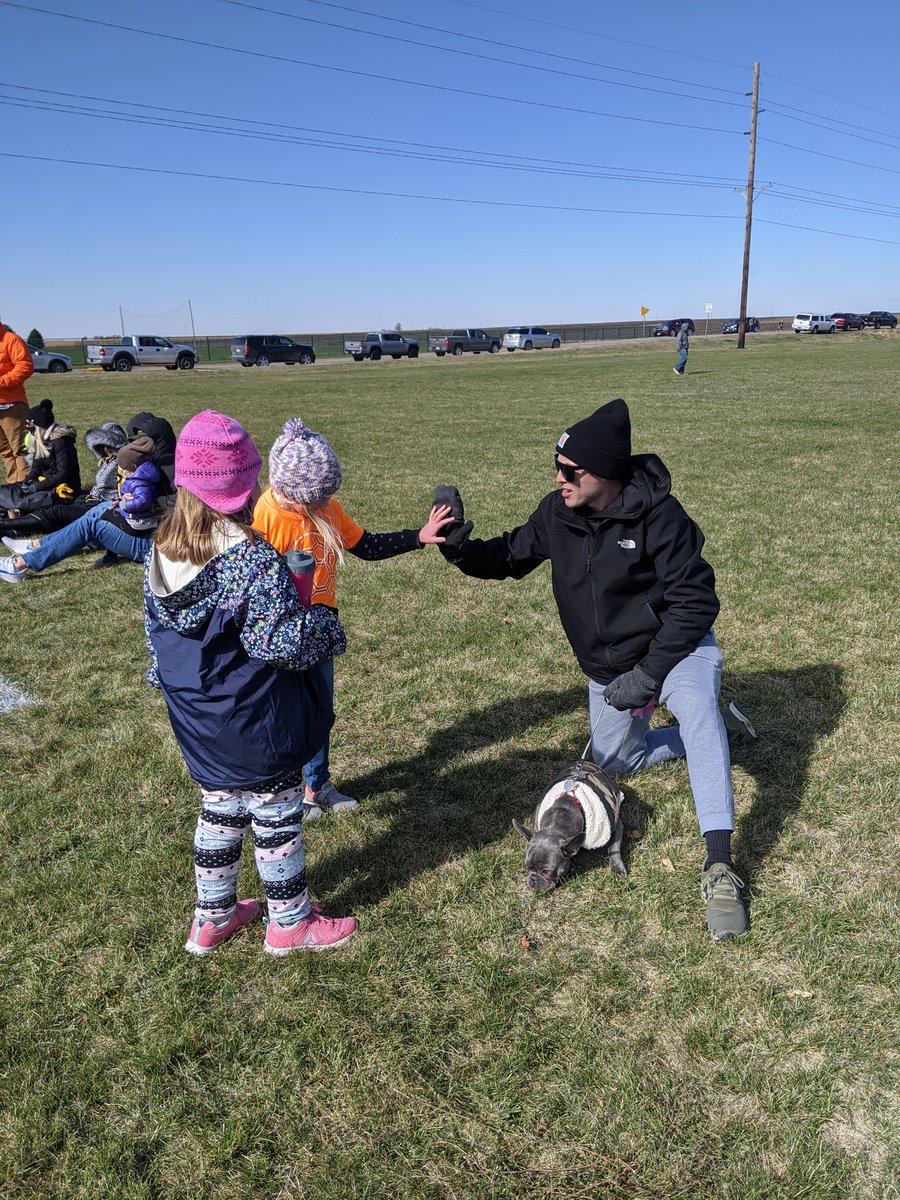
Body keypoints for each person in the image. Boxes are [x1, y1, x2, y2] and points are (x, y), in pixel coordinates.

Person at [434, 398, 756, 942]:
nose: (559, 479)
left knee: (695, 707)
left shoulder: (662, 517)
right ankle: (725, 730)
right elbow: (510, 556)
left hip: (675, 653)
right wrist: (460, 549)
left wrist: (651, 676)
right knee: (618, 762)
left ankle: (719, 865)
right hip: (608, 668)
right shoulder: (557, 512)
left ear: (604, 472)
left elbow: (696, 603)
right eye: (557, 468)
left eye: (570, 471)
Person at [144, 409, 356, 956]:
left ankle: (211, 919)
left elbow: (157, 633)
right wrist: (324, 625)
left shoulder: (163, 547)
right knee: (276, 811)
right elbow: (279, 644)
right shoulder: (251, 558)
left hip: (197, 714)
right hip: (253, 715)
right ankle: (291, 922)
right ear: (248, 481)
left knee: (220, 804)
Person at [253, 417, 454, 817]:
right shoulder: (267, 516)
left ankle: (317, 786)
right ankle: (282, 793)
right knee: (285, 714)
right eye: (310, 501)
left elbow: (365, 545)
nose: (319, 507)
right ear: (284, 488)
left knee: (321, 711)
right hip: (281, 631)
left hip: (320, 627)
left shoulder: (327, 508)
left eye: (323, 499)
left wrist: (419, 536)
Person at [0, 438, 167, 580]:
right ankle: (36, 545)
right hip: (147, 536)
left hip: (149, 544)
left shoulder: (148, 480)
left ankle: (20, 565)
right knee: (101, 508)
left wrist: (124, 503)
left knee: (91, 524)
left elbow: (142, 503)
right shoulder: (158, 471)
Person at [0, 422, 127, 538]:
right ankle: (10, 532)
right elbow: (37, 467)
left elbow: (63, 473)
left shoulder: (122, 463)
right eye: (103, 445)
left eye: (111, 444)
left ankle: (5, 525)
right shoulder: (108, 462)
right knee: (56, 517)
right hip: (89, 502)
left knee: (56, 513)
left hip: (102, 507)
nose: (107, 448)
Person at [0, 399, 81, 516]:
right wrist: (28, 480)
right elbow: (36, 467)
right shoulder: (41, 441)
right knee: (5, 492)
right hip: (44, 485)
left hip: (62, 490)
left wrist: (37, 487)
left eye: (29, 424)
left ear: (39, 426)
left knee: (20, 501)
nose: (27, 428)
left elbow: (63, 474)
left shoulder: (61, 443)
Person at [0, 317, 34, 484]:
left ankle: (26, 489)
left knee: (20, 450)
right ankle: (14, 489)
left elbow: (25, 366)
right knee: (5, 451)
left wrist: (2, 382)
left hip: (11, 405)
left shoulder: (11, 340)